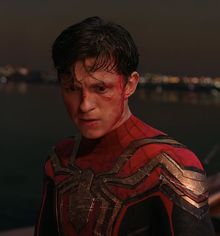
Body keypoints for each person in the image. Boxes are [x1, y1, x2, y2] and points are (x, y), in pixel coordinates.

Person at [34, 16, 215, 236]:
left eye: (101, 89)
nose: (85, 105)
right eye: (72, 88)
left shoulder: (172, 168)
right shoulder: (58, 160)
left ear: (130, 84)